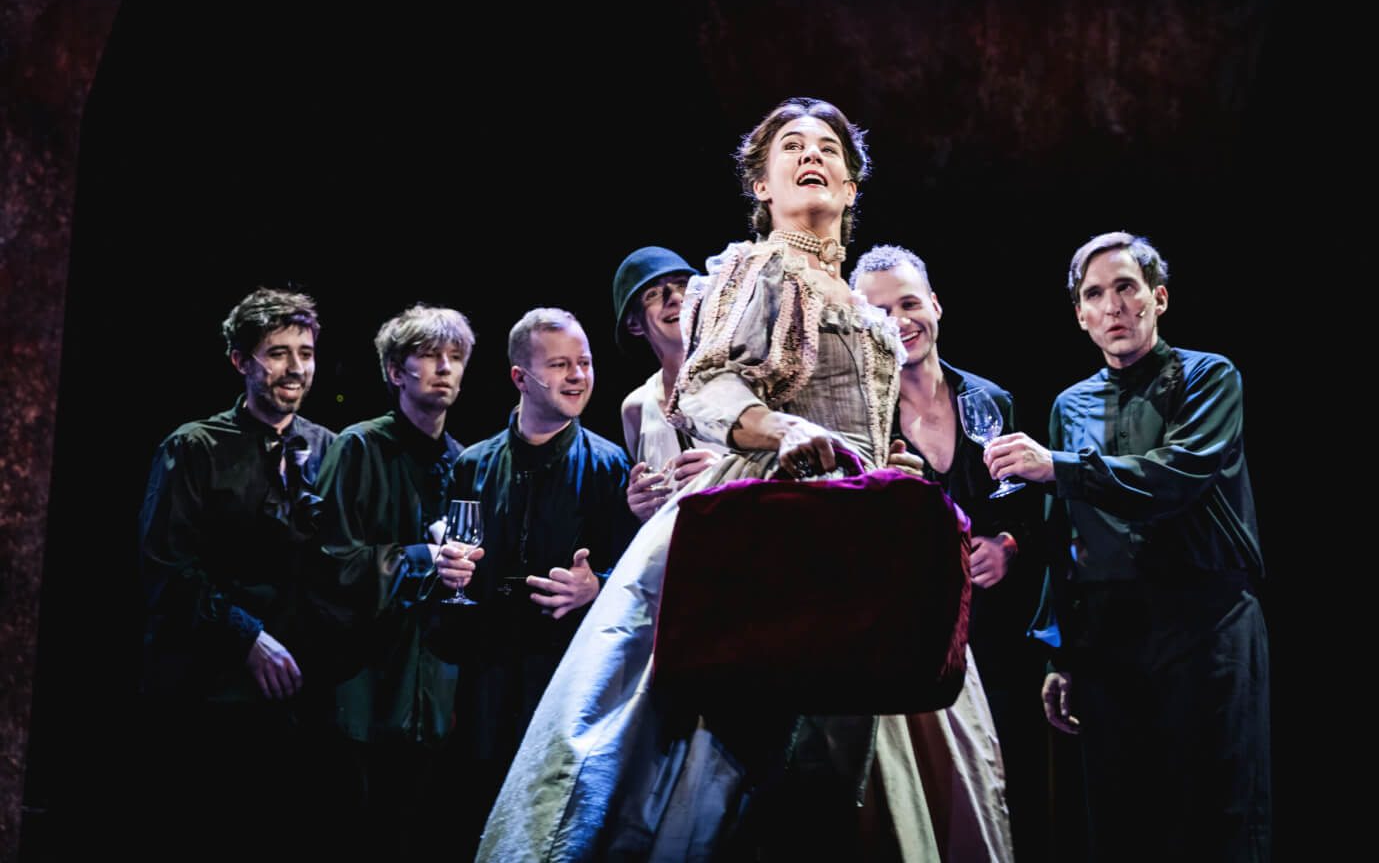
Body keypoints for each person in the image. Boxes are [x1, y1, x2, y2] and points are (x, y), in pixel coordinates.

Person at [474, 99, 1014, 862]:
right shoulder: (757, 268)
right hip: (771, 514)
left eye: (828, 148)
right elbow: (706, 388)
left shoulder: (864, 310)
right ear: (761, 185)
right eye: (790, 147)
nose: (811, 156)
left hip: (863, 537)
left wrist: (893, 467)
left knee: (889, 720)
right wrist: (787, 428)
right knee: (748, 740)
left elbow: (870, 427)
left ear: (853, 188)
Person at [984, 232, 1271, 861]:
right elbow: (1066, 533)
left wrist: (1057, 465)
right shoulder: (1070, 405)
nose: (1113, 306)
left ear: (1157, 298)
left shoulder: (1208, 376)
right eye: (1095, 295)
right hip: (1112, 639)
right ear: (1081, 316)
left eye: (1125, 288)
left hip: (1207, 626)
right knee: (1122, 823)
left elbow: (1175, 476)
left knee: (1219, 817)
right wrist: (1060, 651)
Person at [852, 244, 1050, 863]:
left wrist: (1010, 546)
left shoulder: (990, 401)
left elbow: (1035, 513)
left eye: (910, 303)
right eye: (881, 311)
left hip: (997, 640)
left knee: (1015, 789)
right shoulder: (861, 420)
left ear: (934, 305)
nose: (900, 320)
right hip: (915, 647)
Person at [435, 307, 640, 853]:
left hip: (563, 670)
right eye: (560, 365)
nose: (578, 375)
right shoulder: (472, 465)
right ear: (520, 378)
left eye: (585, 362)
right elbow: (450, 565)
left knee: (555, 816)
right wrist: (446, 569)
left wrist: (595, 585)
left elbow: (634, 573)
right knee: (478, 804)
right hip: (487, 672)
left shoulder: (608, 464)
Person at [138, 287, 334, 858]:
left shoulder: (329, 449)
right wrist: (247, 637)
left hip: (297, 705)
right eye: (277, 353)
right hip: (206, 703)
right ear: (240, 361)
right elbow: (165, 573)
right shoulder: (193, 447)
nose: (295, 368)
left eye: (306, 351)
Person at [311, 304, 475, 856]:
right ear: (395, 371)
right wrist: (422, 557)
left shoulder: (463, 463)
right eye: (429, 356)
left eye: (455, 357)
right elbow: (329, 562)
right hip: (364, 685)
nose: (444, 368)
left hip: (431, 691)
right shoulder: (358, 446)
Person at [612, 245, 724, 521]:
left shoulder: (743, 381)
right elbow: (654, 513)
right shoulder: (636, 408)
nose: (674, 297)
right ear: (634, 324)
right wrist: (640, 506)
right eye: (653, 294)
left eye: (683, 285)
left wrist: (727, 473)